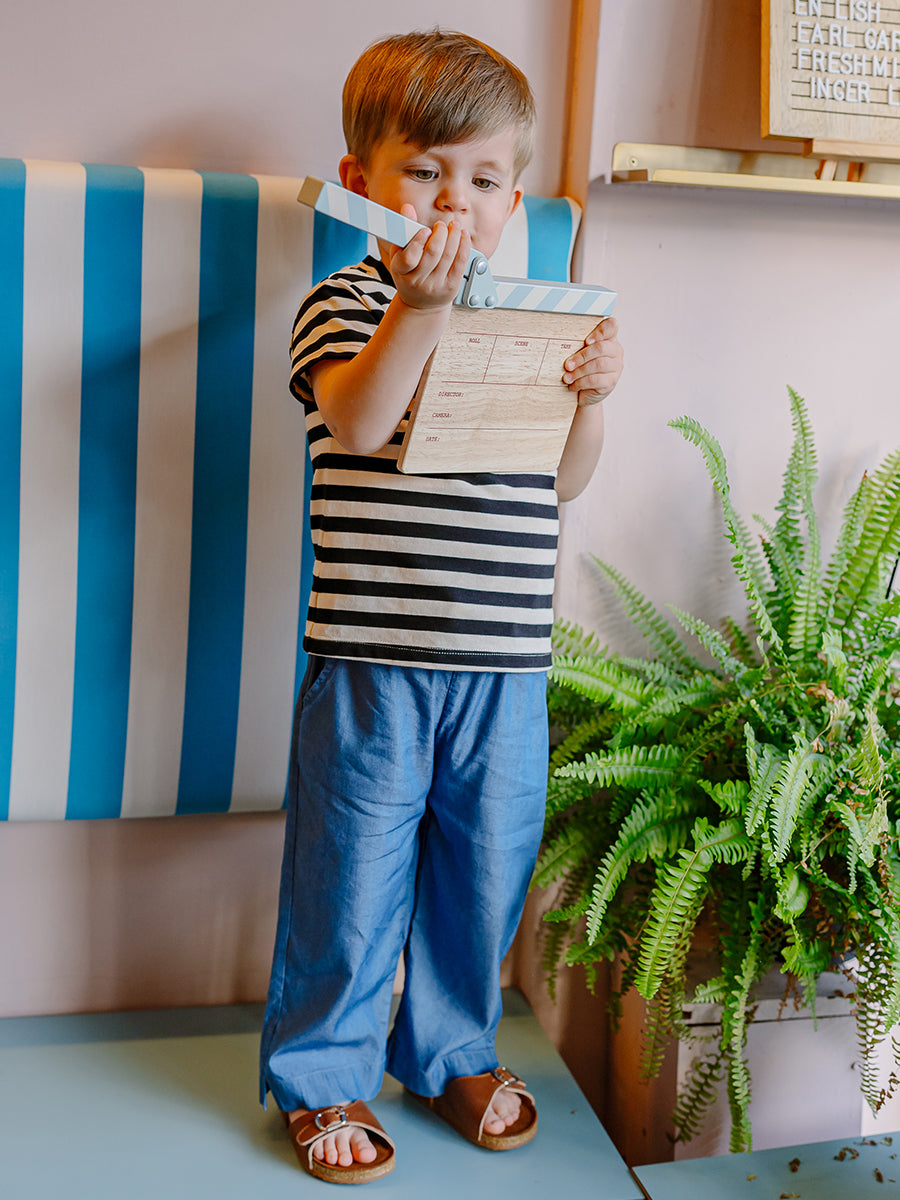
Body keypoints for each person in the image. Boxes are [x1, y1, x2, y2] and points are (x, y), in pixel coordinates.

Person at [259, 28, 624, 1184]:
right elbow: (359, 423)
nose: (455, 201)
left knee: (485, 871)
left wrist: (593, 400)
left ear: (514, 199)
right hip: (375, 659)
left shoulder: (529, 321)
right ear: (361, 181)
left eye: (484, 178)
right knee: (350, 873)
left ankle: (453, 1050)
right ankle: (323, 1073)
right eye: (425, 171)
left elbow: (564, 482)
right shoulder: (346, 302)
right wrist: (417, 309)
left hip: (506, 665)